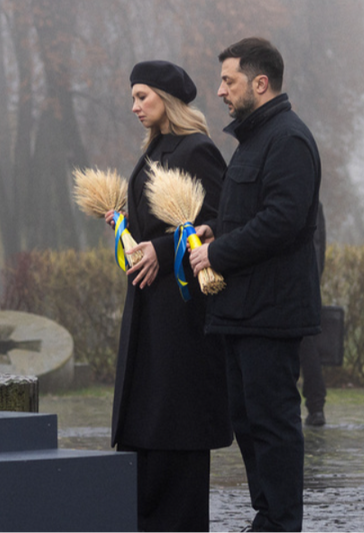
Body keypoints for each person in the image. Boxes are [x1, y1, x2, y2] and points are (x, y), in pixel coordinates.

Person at [189, 37, 322, 533]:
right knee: (247, 422)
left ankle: (281, 523)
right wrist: (215, 230)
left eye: (229, 81)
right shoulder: (253, 141)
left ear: (259, 83)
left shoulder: (287, 139)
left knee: (273, 424)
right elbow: (250, 215)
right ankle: (266, 516)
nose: (220, 91)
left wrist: (217, 252)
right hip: (242, 311)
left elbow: (282, 220)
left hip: (272, 312)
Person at [108, 60, 232, 533]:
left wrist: (161, 248)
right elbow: (155, 226)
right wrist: (125, 230)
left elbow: (220, 220)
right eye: (134, 97)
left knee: (173, 423)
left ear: (168, 99)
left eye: (143, 96)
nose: (134, 105)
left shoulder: (195, 149)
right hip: (149, 306)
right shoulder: (155, 148)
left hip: (180, 316)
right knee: (148, 422)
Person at [300, 203, 328, 427]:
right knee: (308, 348)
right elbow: (321, 247)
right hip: (307, 286)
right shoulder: (314, 205)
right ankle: (316, 406)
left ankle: (316, 405)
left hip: (296, 286)